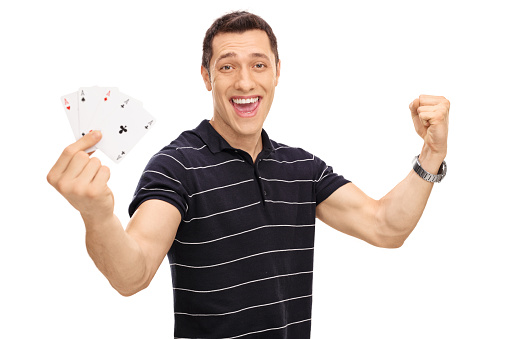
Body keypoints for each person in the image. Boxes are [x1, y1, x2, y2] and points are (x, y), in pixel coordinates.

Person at [47, 11, 450, 339]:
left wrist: (431, 153)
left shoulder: (300, 168)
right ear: (207, 76)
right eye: (227, 66)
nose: (245, 82)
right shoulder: (177, 167)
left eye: (259, 65)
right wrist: (97, 216)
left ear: (276, 72)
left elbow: (386, 227)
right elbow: (131, 274)